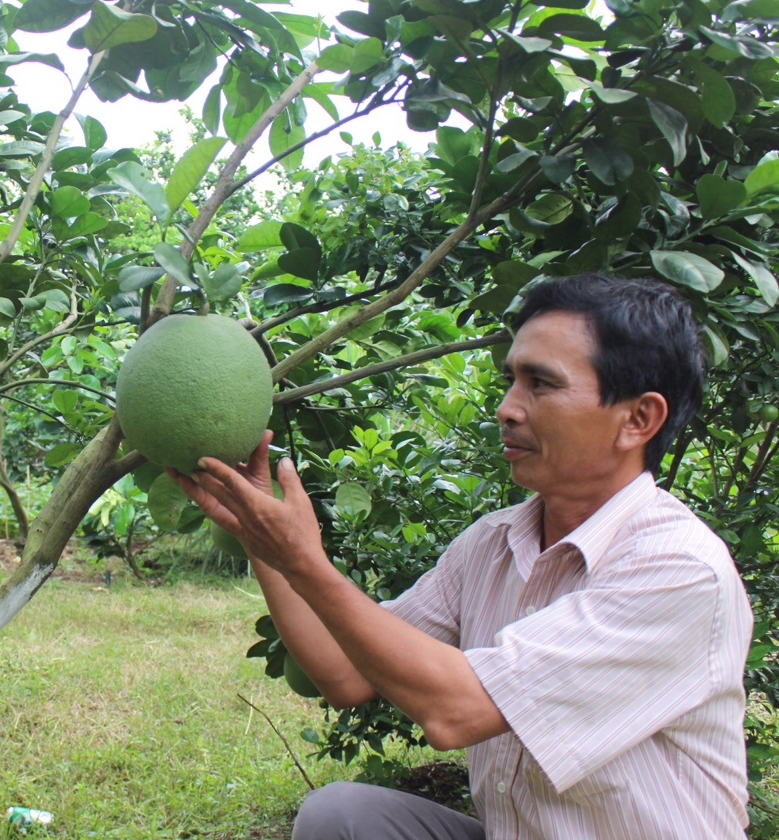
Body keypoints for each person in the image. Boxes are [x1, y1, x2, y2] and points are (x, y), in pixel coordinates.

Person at [171, 274, 753, 840]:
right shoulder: (493, 542)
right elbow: (345, 675)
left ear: (637, 419)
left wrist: (304, 560)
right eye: (511, 381)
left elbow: (457, 711)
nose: (507, 407)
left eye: (541, 384)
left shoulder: (678, 569)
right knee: (341, 816)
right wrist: (260, 539)